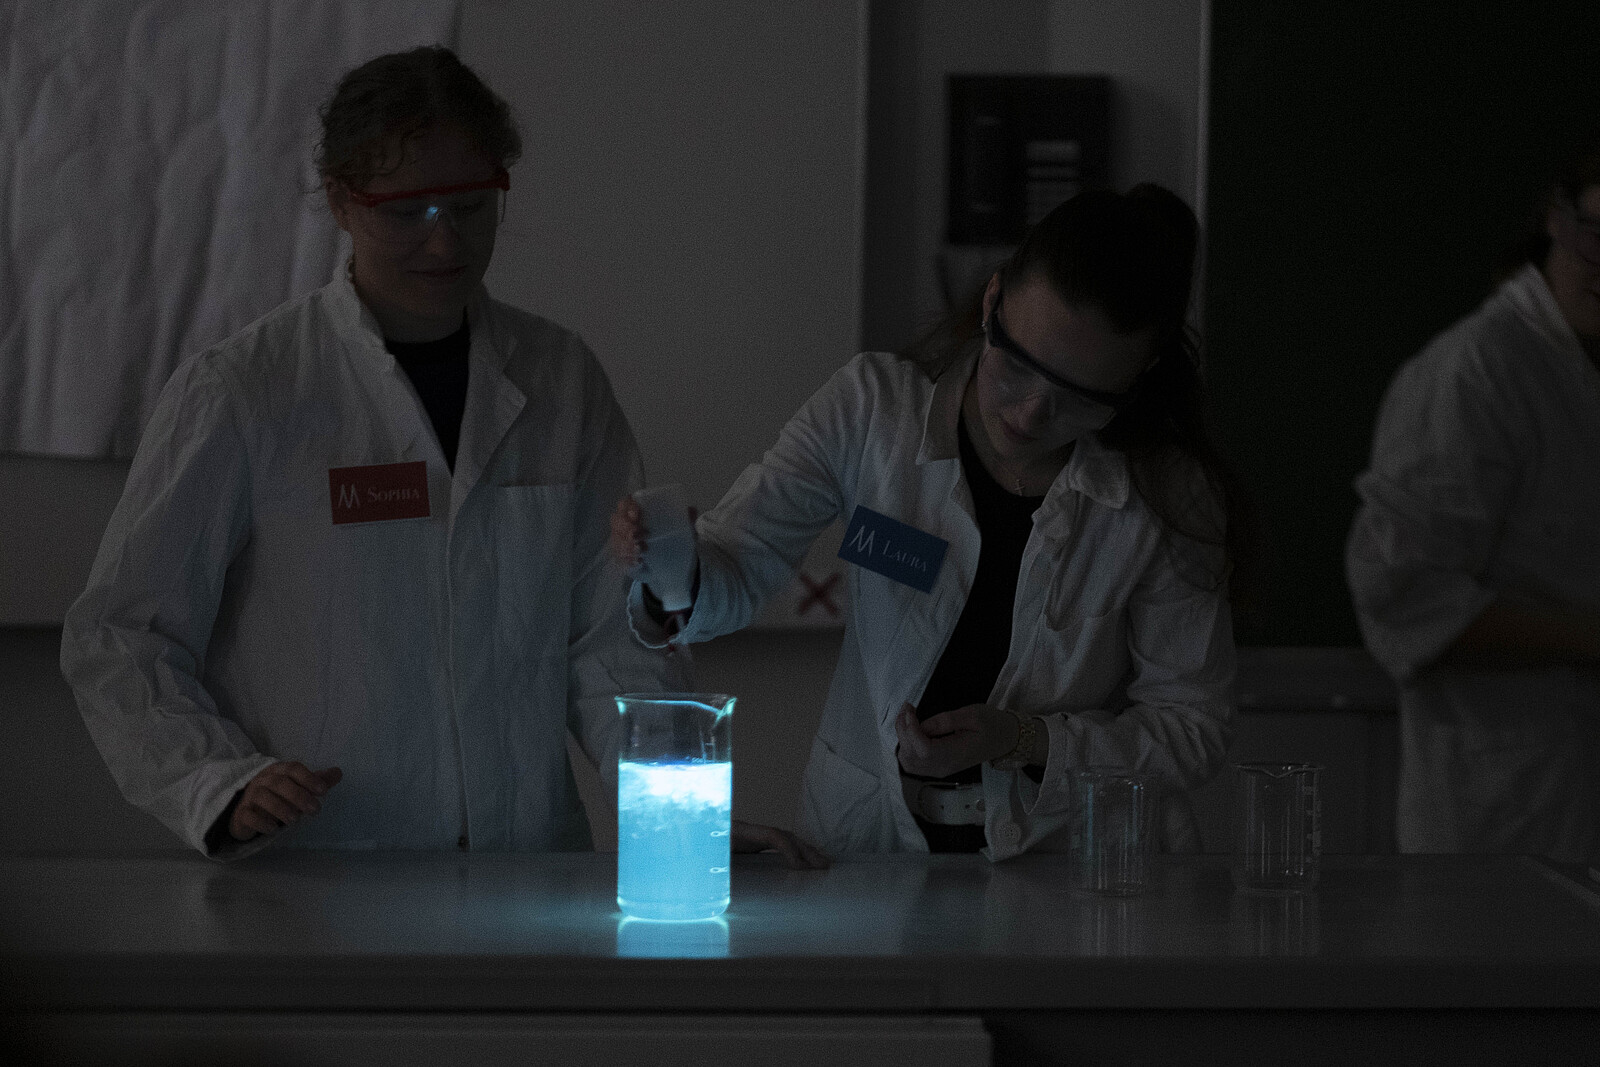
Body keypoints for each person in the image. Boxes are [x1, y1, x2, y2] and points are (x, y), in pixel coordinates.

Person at [60, 46, 816, 865]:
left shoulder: (560, 379)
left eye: (470, 205)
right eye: (407, 211)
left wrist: (684, 819)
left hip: (522, 871)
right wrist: (217, 781)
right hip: (318, 873)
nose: (444, 238)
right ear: (342, 202)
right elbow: (122, 634)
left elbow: (610, 642)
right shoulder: (247, 390)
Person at [614, 185, 1242, 859]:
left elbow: (1191, 726)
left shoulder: (1164, 495)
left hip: (1061, 858)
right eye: (1019, 366)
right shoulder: (872, 410)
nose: (1031, 413)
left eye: (1081, 398)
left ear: (1139, 378)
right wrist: (671, 569)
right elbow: (740, 560)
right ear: (993, 302)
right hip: (866, 841)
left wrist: (1023, 739)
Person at [1346, 138, 1600, 863]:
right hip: (1503, 811)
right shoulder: (1477, 371)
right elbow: (1402, 598)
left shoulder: (1580, 369)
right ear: (1556, 220)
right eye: (1598, 235)